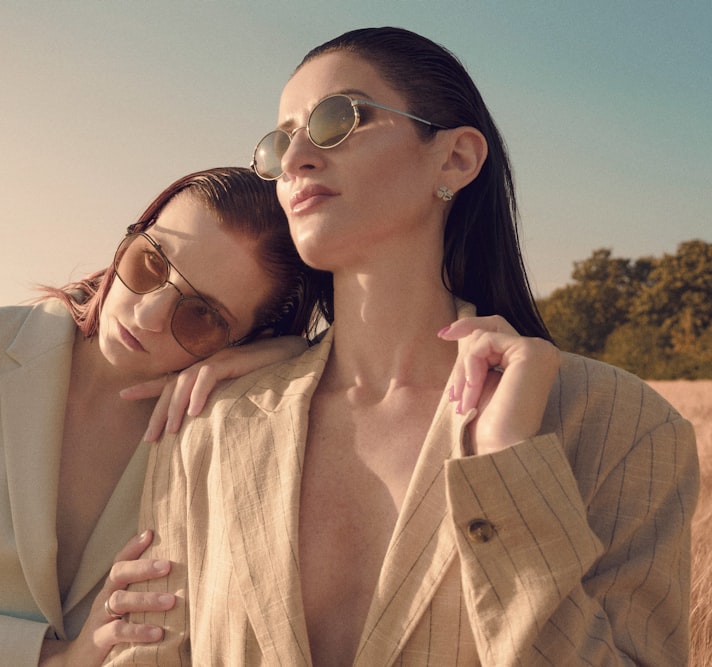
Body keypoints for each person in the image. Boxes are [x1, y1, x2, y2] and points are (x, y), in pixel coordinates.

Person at [108, 28, 699, 666]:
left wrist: (510, 472)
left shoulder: (623, 425)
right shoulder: (211, 423)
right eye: (279, 143)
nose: (298, 157)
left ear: (456, 160)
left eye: (338, 119)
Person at [0, 166, 327, 666]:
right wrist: (52, 659)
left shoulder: (225, 426)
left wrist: (290, 356)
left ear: (246, 337)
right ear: (131, 236)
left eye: (203, 316)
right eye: (152, 263)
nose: (146, 315)